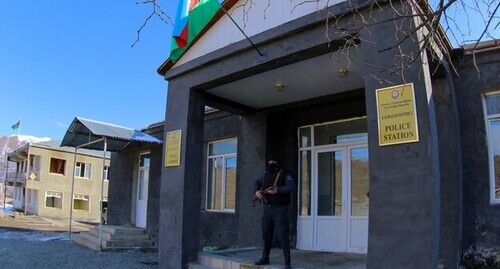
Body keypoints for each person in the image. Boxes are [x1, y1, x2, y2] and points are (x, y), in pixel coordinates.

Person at [253, 155, 295, 269]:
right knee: (266, 235)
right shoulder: (265, 175)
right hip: (267, 209)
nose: (271, 163)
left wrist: (278, 190)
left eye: (274, 161)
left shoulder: (286, 174)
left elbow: (291, 187)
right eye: (269, 162)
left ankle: (287, 263)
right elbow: (256, 183)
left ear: (278, 163)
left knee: (283, 236)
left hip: (280, 209)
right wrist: (256, 192)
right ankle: (265, 258)